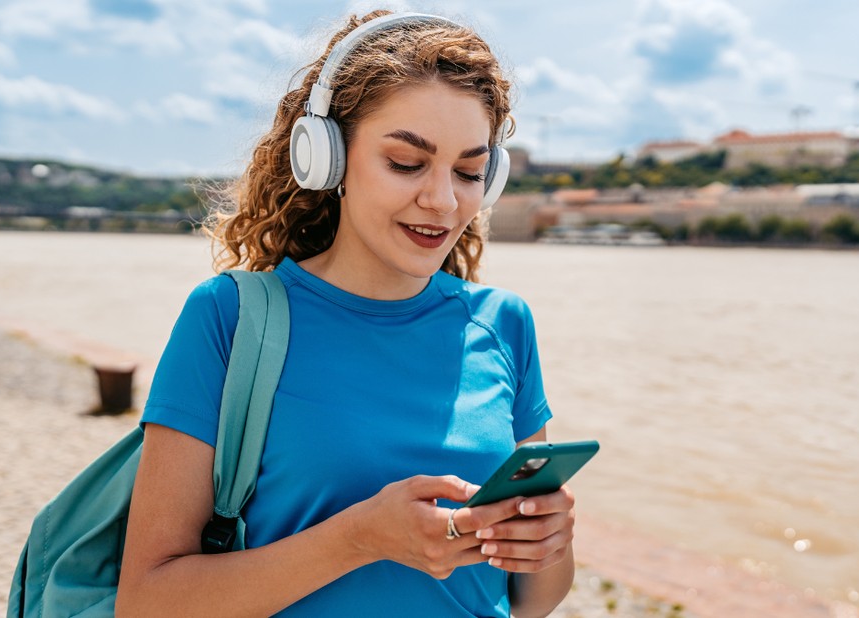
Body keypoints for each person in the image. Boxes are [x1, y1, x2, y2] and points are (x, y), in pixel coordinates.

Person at [117, 10, 576, 617]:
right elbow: (147, 603)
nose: (443, 200)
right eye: (406, 163)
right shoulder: (229, 317)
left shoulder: (504, 324)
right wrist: (357, 538)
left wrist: (548, 545)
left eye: (469, 171)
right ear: (325, 157)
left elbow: (531, 603)